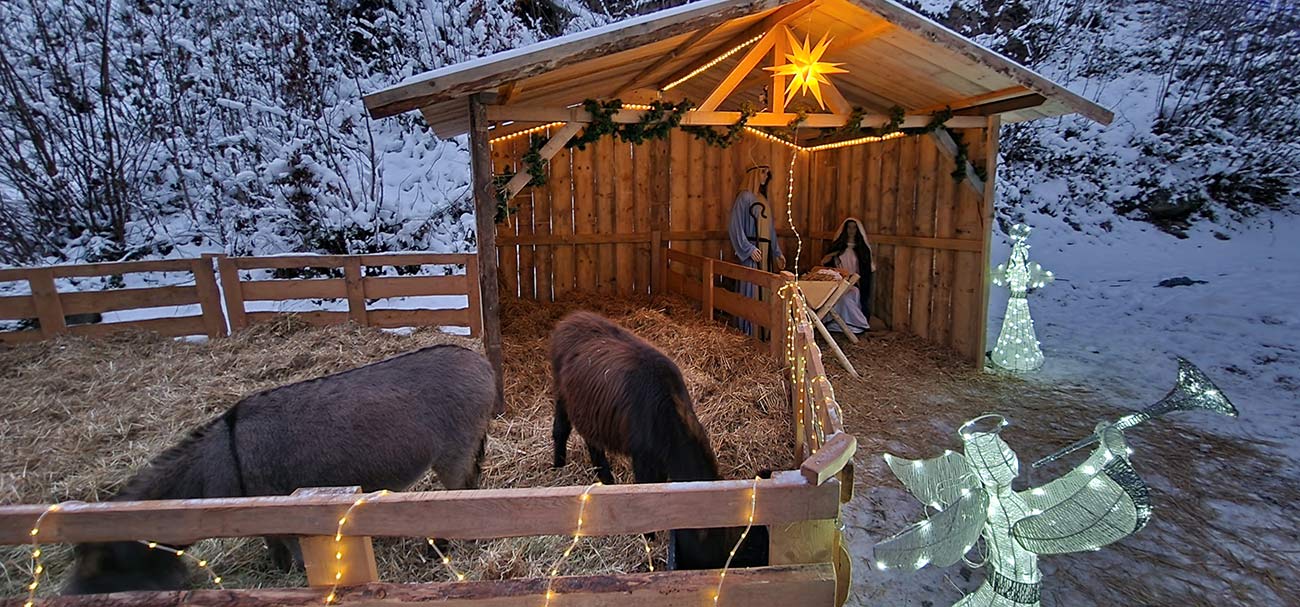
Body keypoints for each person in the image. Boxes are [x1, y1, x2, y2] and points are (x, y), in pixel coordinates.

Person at [728, 165, 786, 335]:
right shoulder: (744, 197)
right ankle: (748, 331)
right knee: (751, 289)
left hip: (765, 253)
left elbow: (770, 230)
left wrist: (777, 252)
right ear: (754, 174)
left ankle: (762, 331)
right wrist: (747, 248)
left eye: (768, 174)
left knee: (765, 290)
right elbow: (735, 226)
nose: (766, 176)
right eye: (763, 172)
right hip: (753, 253)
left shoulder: (762, 199)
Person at [819, 217, 874, 333]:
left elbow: (866, 270)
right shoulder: (837, 247)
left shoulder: (862, 249)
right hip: (837, 282)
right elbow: (825, 264)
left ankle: (857, 324)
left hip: (854, 283)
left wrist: (857, 280)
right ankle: (835, 323)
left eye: (854, 228)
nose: (851, 230)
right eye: (849, 227)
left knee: (847, 297)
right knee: (836, 296)